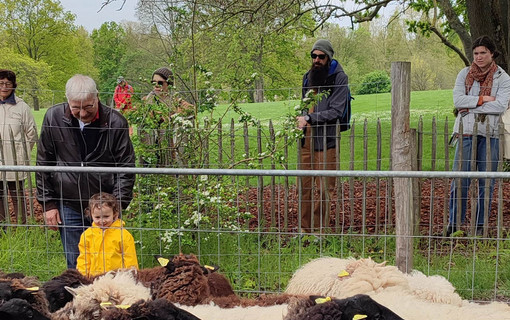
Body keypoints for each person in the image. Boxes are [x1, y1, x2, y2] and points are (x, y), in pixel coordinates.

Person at [36, 74, 136, 269]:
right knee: (77, 263)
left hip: (105, 206)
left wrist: (116, 206)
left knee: (110, 263)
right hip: (69, 202)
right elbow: (43, 162)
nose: (82, 113)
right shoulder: (53, 117)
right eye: (76, 108)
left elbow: (126, 168)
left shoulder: (115, 123)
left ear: (96, 97)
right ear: (67, 100)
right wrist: (48, 203)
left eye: (88, 107)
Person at [447, 35, 510, 237]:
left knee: (486, 181)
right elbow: (458, 100)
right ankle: (454, 226)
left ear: (492, 53)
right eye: (475, 53)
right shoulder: (464, 74)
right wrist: (483, 99)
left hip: (491, 134)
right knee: (460, 180)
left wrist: (471, 105)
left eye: (483, 52)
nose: (479, 57)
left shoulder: (503, 77)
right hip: (465, 132)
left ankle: (481, 227)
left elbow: (501, 105)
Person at [296, 39, 350, 233]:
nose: (317, 60)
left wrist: (309, 117)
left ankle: (320, 231)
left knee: (324, 188)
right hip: (307, 138)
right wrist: (301, 119)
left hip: (327, 139)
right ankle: (304, 230)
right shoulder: (307, 77)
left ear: (329, 58)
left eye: (321, 56)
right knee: (305, 185)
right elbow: (304, 105)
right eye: (314, 56)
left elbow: (336, 111)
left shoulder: (339, 78)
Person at [0, 69, 37, 225]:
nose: (4, 87)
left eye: (8, 84)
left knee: (17, 194)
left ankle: (22, 225)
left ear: (14, 85)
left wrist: (22, 153)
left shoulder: (22, 107)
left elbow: (32, 134)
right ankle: (3, 226)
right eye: (1, 83)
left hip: (16, 160)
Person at [140, 67, 193, 166]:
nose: (156, 85)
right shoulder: (146, 100)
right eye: (153, 82)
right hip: (151, 145)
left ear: (168, 84)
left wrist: (175, 115)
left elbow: (191, 109)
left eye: (160, 83)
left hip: (171, 146)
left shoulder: (175, 100)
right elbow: (144, 114)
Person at [77, 192, 138, 277]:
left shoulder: (123, 235)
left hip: (117, 279)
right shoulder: (87, 235)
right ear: (91, 215)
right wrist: (82, 276)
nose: (102, 221)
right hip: (94, 279)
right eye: (97, 217)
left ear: (115, 214)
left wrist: (131, 277)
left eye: (106, 216)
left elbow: (130, 259)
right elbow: (84, 259)